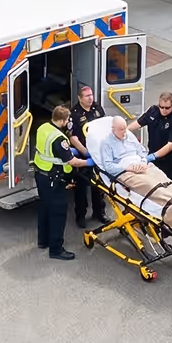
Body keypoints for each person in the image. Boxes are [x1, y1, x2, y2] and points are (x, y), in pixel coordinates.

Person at [34, 105, 94, 261]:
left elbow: (49, 152)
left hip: (41, 175)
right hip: (54, 179)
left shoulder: (43, 127)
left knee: (44, 209)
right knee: (58, 214)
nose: (69, 122)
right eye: (67, 120)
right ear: (62, 120)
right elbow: (72, 161)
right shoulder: (59, 139)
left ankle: (43, 241)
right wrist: (88, 162)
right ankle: (56, 249)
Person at [68, 86, 111, 227]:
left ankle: (99, 213)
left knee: (99, 186)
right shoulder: (74, 114)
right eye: (87, 96)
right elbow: (72, 137)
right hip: (84, 155)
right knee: (81, 189)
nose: (90, 98)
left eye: (91, 95)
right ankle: (81, 216)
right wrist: (85, 152)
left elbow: (105, 128)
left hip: (98, 154)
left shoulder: (97, 109)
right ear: (80, 98)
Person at [127, 91, 172, 183]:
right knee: (152, 181)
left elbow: (171, 145)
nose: (164, 110)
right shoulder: (153, 111)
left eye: (167, 108)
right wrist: (125, 130)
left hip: (169, 161)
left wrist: (153, 156)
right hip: (153, 154)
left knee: (169, 184)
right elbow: (139, 123)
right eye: (161, 107)